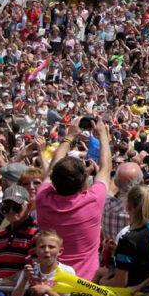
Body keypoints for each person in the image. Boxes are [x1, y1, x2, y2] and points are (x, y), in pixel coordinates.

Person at [37, 119, 112, 280]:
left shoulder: (43, 198)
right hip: (85, 285)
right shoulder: (93, 199)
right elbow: (106, 168)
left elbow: (52, 169)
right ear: (84, 179)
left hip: (49, 283)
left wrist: (69, 136)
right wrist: (104, 136)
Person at [9, 229, 73, 296]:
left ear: (60, 251)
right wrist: (24, 279)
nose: (46, 250)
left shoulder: (67, 271)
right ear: (36, 251)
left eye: (51, 247)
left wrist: (48, 290)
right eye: (42, 247)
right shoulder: (30, 271)